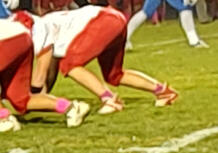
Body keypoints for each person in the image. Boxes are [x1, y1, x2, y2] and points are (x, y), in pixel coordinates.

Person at [13, 7, 177, 114]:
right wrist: (43, 99)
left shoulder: (38, 31)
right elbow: (51, 71)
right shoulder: (46, 24)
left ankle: (110, 99)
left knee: (70, 65)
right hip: (115, 18)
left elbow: (41, 75)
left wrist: (30, 99)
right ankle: (163, 91)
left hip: (102, 22)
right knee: (114, 75)